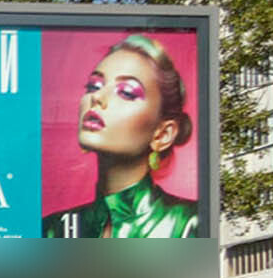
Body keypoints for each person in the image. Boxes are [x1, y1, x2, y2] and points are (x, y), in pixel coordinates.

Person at [43, 33, 201, 239]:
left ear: (162, 134)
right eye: (94, 86)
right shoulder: (52, 230)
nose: (97, 97)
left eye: (126, 92)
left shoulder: (190, 222)